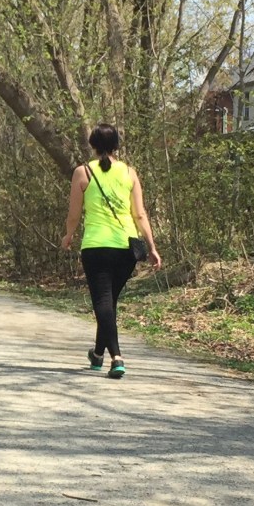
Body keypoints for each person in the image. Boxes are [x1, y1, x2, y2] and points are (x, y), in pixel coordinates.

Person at [60, 123, 160, 379]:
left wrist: (68, 235)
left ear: (92, 144)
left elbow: (74, 214)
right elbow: (140, 214)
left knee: (103, 301)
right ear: (116, 145)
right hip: (126, 248)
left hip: (96, 247)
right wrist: (151, 247)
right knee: (109, 301)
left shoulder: (83, 172)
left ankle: (116, 357)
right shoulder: (129, 172)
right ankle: (97, 354)